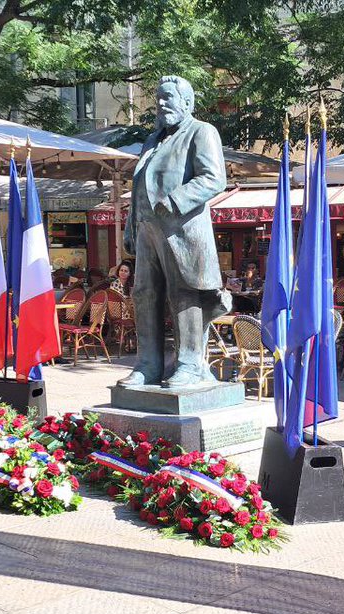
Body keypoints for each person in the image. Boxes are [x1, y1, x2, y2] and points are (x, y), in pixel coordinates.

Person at [117, 75, 230, 388]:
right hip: (147, 229)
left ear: (187, 102)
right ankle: (148, 365)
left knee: (185, 293)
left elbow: (214, 178)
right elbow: (140, 187)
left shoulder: (201, 131)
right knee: (145, 294)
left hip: (182, 229)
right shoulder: (152, 140)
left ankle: (190, 365)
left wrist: (176, 200)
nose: (161, 104)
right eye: (159, 98)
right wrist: (131, 225)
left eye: (168, 97)